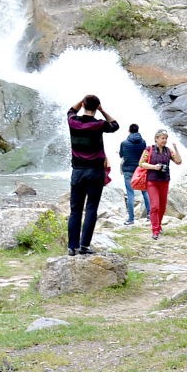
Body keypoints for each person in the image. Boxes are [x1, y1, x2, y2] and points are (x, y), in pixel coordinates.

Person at [67, 95, 118, 256]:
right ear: (97, 107)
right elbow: (115, 125)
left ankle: (72, 247)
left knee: (75, 210)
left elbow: (70, 110)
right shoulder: (99, 124)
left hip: (78, 171)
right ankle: (84, 246)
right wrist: (102, 111)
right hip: (96, 172)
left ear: (83, 105)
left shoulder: (73, 122)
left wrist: (81, 102)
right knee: (91, 209)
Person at [138, 129, 182, 240]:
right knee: (155, 206)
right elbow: (141, 163)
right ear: (156, 138)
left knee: (162, 206)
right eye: (162, 138)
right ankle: (155, 230)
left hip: (164, 181)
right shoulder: (149, 149)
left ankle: (159, 225)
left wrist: (176, 149)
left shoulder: (168, 151)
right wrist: (154, 167)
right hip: (152, 181)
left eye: (166, 138)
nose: (164, 140)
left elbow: (178, 161)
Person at [118, 124, 150, 224]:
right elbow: (144, 156)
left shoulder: (124, 143)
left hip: (128, 170)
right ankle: (149, 214)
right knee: (144, 191)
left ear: (129, 130)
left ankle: (131, 219)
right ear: (138, 130)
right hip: (140, 170)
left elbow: (121, 155)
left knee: (130, 194)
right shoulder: (143, 142)